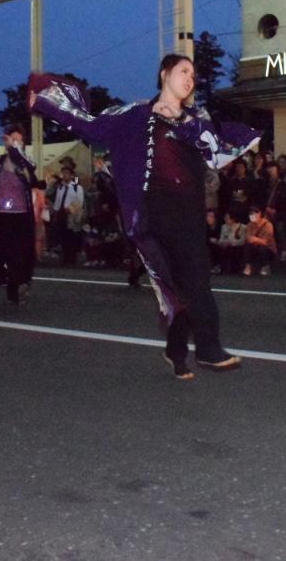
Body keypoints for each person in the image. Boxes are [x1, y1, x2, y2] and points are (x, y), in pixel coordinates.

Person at [28, 55, 259, 379]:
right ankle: (198, 350)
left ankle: (188, 350)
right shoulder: (135, 115)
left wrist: (182, 121)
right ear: (164, 74)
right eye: (184, 71)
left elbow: (215, 150)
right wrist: (47, 103)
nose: (190, 78)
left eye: (193, 75)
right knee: (177, 286)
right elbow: (91, 125)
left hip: (188, 214)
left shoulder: (197, 117)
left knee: (195, 283)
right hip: (151, 214)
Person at [0, 125, 41, 303]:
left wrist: (16, 152)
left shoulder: (26, 164)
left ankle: (18, 286)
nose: (15, 143)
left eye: (19, 140)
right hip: (1, 215)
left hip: (21, 216)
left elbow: (33, 179)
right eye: (12, 139)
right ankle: (7, 281)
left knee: (19, 254)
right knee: (0, 253)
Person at [50, 165, 85, 265]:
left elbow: (80, 201)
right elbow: (57, 201)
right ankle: (65, 256)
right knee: (63, 235)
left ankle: (72, 257)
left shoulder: (76, 187)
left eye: (67, 173)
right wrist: (55, 213)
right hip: (61, 214)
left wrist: (70, 209)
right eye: (63, 173)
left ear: (71, 175)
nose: (65, 175)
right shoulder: (60, 187)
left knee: (71, 236)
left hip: (71, 215)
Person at [261, 161, 286, 261]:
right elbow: (260, 197)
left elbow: (285, 201)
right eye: (269, 168)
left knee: (280, 228)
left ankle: (284, 250)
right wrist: (265, 208)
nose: (270, 171)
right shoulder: (264, 183)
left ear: (277, 170)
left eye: (272, 168)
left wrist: (275, 210)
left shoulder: (282, 185)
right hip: (265, 212)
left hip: (278, 213)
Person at [243, 204, 277, 276]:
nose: (251, 216)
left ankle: (266, 267)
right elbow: (248, 237)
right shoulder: (249, 225)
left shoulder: (268, 224)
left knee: (262, 248)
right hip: (254, 247)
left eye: (253, 213)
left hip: (268, 249)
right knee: (247, 246)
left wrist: (255, 239)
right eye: (250, 214)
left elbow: (266, 241)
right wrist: (251, 239)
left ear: (259, 214)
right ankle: (248, 267)